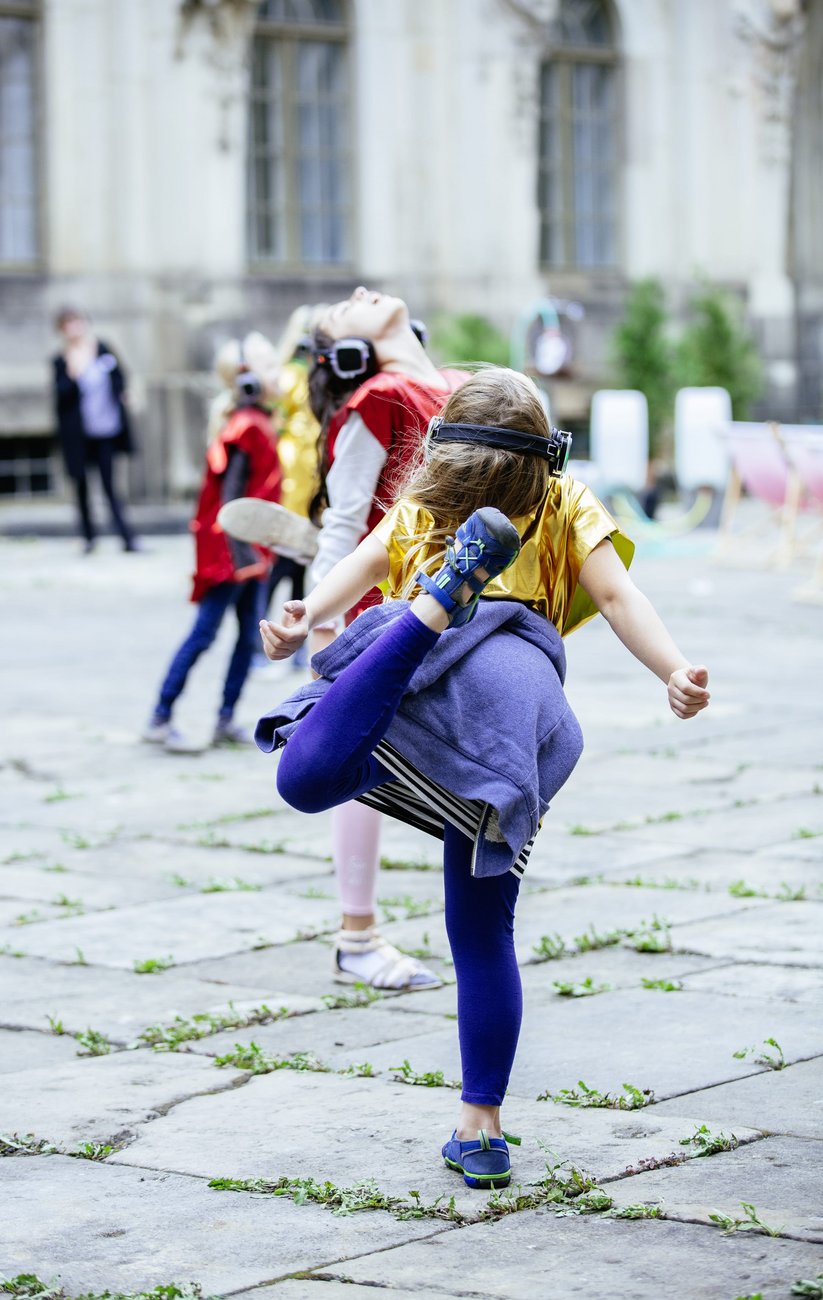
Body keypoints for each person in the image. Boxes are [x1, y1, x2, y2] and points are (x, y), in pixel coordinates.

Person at [252, 366, 711, 1191]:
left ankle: (436, 603)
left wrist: (303, 618)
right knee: (481, 932)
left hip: (420, 681)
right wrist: (673, 670)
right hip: (506, 718)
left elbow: (361, 563)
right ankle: (481, 1128)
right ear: (547, 458)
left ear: (441, 450)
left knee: (307, 774)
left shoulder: (430, 497)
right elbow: (617, 598)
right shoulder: (564, 500)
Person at [224, 287, 465, 990]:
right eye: (342, 308)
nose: (360, 292)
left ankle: (475, 947)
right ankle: (357, 937)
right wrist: (321, 629)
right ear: (351, 353)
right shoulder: (376, 399)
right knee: (364, 769)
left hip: (457, 608)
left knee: (469, 764)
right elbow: (344, 523)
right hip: (378, 616)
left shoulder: (460, 388)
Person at [142, 336, 281, 751]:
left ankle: (225, 719)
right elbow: (229, 500)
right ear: (247, 378)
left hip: (250, 551)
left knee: (247, 637)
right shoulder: (246, 426)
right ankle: (160, 716)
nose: (278, 372)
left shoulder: (256, 421)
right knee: (204, 634)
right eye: (269, 365)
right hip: (233, 555)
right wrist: (243, 557)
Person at [52, 307, 138, 553]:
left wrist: (123, 395)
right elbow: (61, 397)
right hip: (79, 435)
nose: (74, 329)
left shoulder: (102, 349)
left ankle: (127, 537)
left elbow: (119, 377)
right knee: (81, 485)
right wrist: (72, 373)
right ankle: (88, 538)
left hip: (106, 429)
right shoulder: (62, 360)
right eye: (68, 325)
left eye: (77, 322)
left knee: (110, 485)